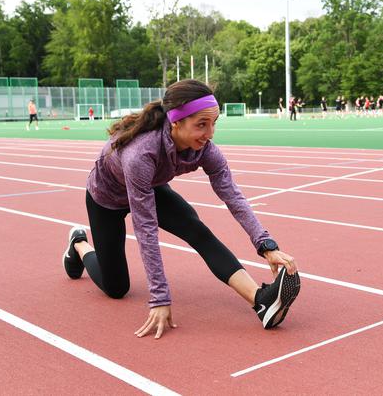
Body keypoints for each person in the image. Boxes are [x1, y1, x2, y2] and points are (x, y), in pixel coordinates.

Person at [62, 80, 300, 339]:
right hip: (106, 198)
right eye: (201, 124)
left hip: (150, 186)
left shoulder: (206, 151)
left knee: (197, 231)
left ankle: (260, 301)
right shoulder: (141, 153)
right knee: (116, 288)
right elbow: (146, 230)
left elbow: (233, 196)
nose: (210, 133)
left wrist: (266, 245)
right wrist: (159, 297)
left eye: (213, 123)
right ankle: (79, 245)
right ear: (176, 121)